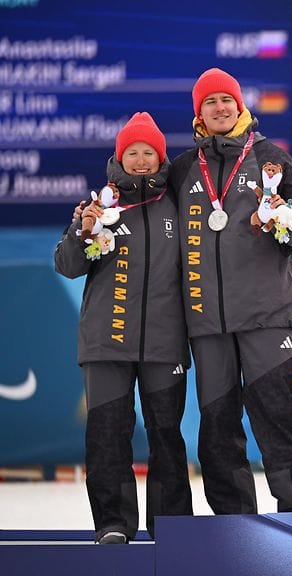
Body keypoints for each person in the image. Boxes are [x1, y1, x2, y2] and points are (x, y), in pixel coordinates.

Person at [169, 67, 292, 514]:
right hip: (206, 323)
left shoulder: (269, 156)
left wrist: (285, 221)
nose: (220, 108)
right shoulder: (181, 170)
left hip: (264, 315)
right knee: (217, 428)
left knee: (278, 419)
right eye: (210, 102)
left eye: (226, 101)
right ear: (199, 112)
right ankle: (232, 527)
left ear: (240, 106)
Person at [55, 112, 193, 543]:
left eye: (147, 152)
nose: (139, 160)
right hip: (106, 342)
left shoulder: (176, 201)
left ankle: (170, 528)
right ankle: (113, 524)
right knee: (108, 436)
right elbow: (66, 265)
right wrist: (83, 231)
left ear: (160, 157)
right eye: (131, 152)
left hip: (164, 344)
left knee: (166, 437)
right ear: (119, 157)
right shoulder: (99, 205)